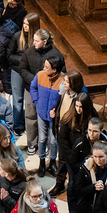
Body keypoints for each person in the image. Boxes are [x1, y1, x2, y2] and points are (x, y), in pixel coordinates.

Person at [18, 27, 66, 156]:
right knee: (31, 117)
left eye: (36, 41)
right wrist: (36, 81)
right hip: (32, 88)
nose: (33, 43)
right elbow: (22, 69)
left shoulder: (56, 54)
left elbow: (62, 73)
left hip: (51, 92)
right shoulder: (29, 52)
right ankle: (32, 143)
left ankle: (49, 148)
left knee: (50, 122)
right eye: (34, 40)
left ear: (44, 42)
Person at [51, 73, 87, 201]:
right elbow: (60, 107)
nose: (64, 83)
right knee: (61, 161)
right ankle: (59, 184)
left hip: (73, 137)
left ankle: (74, 188)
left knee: (73, 164)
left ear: (74, 83)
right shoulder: (64, 94)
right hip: (62, 134)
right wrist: (54, 110)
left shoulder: (81, 98)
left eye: (66, 82)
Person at [30, 50, 66, 179]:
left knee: (54, 140)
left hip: (54, 117)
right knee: (42, 139)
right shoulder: (40, 75)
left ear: (55, 70)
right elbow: (33, 87)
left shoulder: (63, 80)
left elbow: (65, 98)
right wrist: (37, 101)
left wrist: (57, 110)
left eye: (46, 67)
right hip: (41, 113)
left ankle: (52, 162)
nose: (43, 68)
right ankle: (41, 162)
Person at [7, 12, 40, 135]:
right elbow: (9, 55)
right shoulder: (17, 36)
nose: (25, 26)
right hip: (17, 71)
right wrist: (23, 60)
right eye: (24, 23)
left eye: (28, 24)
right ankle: (18, 125)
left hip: (31, 73)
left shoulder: (38, 39)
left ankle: (32, 126)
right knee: (18, 99)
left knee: (31, 100)